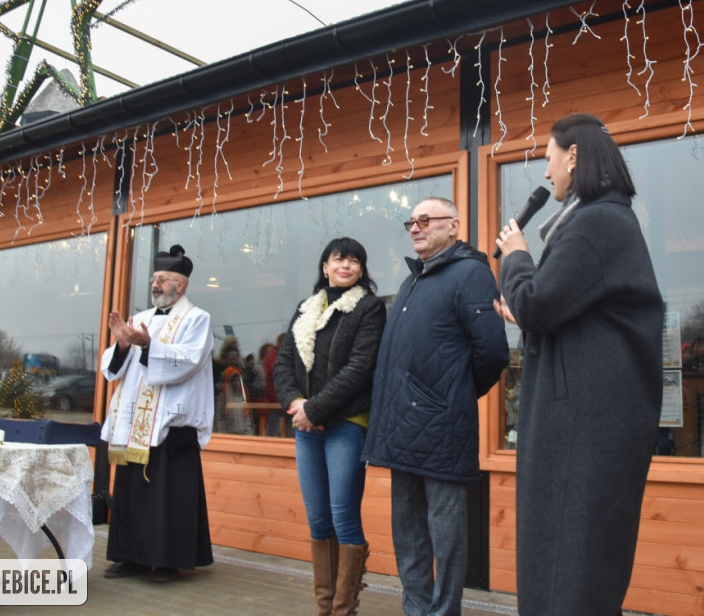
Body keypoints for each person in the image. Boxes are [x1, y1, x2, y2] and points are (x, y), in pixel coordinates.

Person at [494, 113, 664, 616]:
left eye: (548, 159)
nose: (546, 175)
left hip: (583, 427)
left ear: (573, 155)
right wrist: (525, 301)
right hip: (589, 421)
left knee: (572, 561)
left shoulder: (595, 224)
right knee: (574, 557)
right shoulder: (603, 221)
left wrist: (517, 257)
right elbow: (554, 311)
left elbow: (538, 305)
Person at [361, 197, 509, 616]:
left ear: (454, 226)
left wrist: (452, 395)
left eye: (427, 220)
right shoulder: (412, 281)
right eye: (412, 221)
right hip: (400, 428)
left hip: (442, 428)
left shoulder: (471, 273)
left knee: (446, 537)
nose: (416, 227)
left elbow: (494, 352)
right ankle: (416, 610)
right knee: (407, 533)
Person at [273, 237, 386, 616]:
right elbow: (283, 364)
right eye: (340, 259)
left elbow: (360, 368)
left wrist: (315, 410)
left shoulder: (369, 309)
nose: (347, 266)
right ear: (325, 266)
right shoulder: (306, 308)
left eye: (355, 261)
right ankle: (325, 607)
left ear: (362, 270)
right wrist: (295, 404)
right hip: (306, 427)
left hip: (346, 425)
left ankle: (343, 609)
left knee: (343, 516)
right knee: (319, 519)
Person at [100, 244, 215, 583]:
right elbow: (114, 369)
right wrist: (123, 344)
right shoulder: (140, 319)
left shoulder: (197, 318)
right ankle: (130, 557)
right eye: (154, 279)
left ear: (181, 285)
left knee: (168, 496)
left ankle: (166, 560)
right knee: (131, 492)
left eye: (163, 279)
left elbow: (187, 360)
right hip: (134, 421)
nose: (155, 285)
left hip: (171, 421)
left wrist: (148, 345)